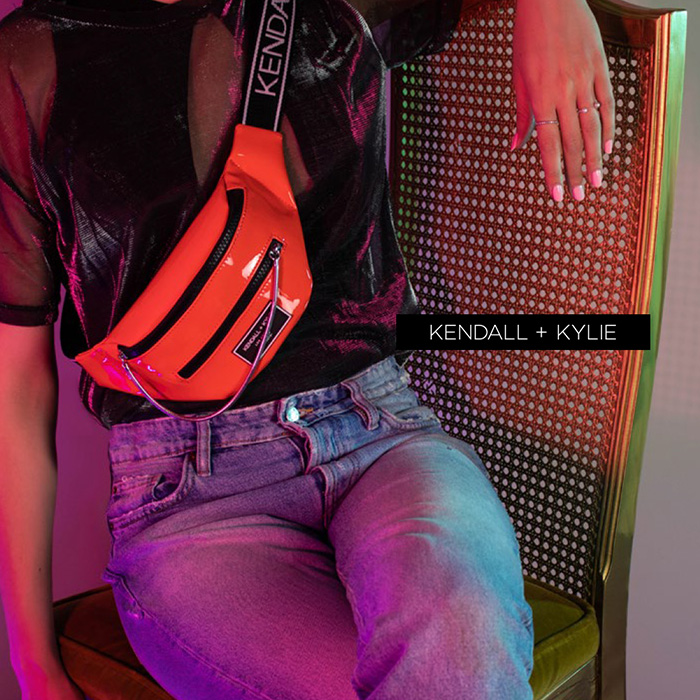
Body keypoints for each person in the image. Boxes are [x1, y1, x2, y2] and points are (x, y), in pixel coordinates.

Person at [0, 0, 614, 698]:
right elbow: (16, 389)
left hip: (381, 436)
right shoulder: (27, 63)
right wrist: (31, 661)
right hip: (191, 500)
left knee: (457, 654)